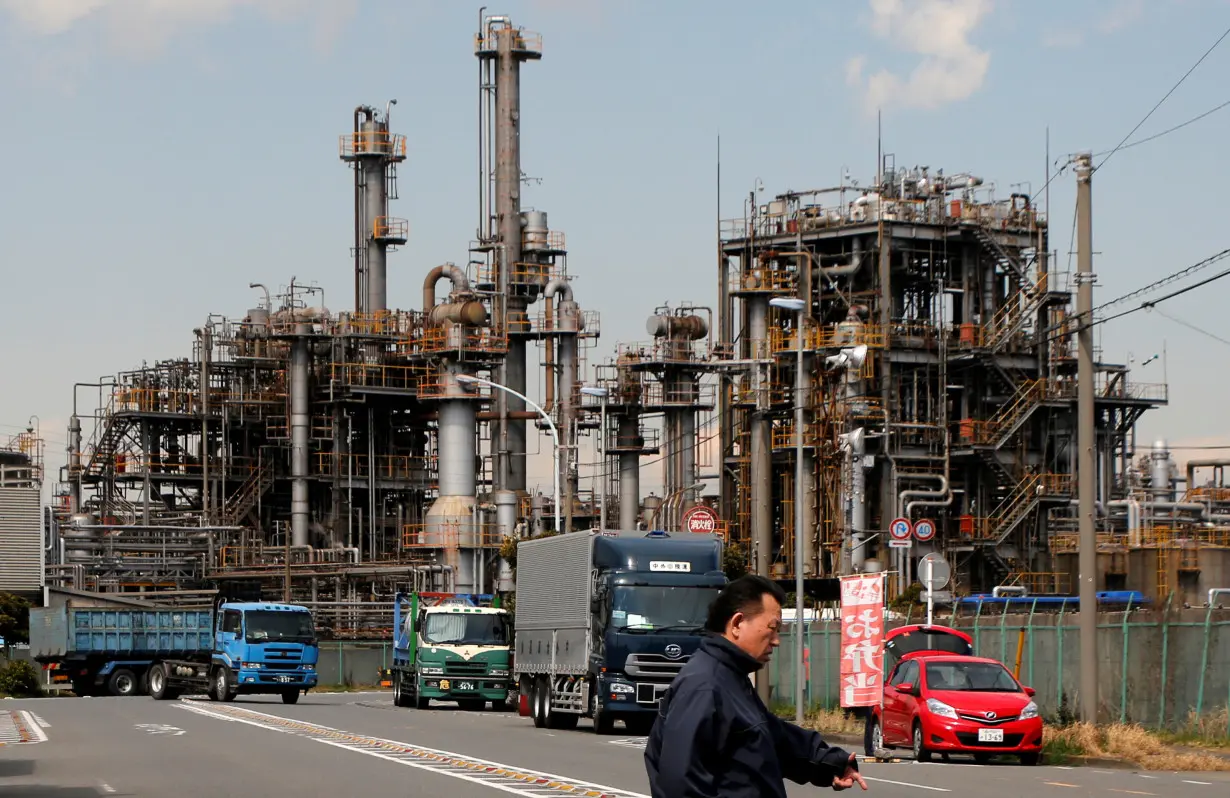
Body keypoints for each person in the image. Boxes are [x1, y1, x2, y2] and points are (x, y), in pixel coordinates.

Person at [644, 574, 867, 798]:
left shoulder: (730, 678)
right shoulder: (704, 686)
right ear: (737, 623)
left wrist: (829, 763)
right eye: (773, 627)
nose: (777, 640)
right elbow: (681, 784)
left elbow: (773, 739)